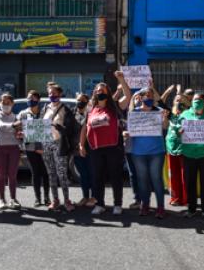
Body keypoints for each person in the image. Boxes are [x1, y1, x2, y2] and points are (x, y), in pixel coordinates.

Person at [80, 71, 131, 215]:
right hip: (95, 148)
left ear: (107, 93)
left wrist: (121, 79)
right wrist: (81, 144)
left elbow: (128, 96)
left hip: (113, 147)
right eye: (97, 91)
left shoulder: (114, 106)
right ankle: (100, 204)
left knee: (115, 176)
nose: (99, 93)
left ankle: (117, 204)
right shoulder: (91, 109)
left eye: (102, 91)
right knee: (97, 178)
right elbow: (85, 127)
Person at [130, 88, 169, 218]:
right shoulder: (134, 113)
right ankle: (145, 205)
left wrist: (164, 118)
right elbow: (129, 130)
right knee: (142, 180)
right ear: (140, 98)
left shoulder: (158, 111)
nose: (149, 97)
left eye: (151, 95)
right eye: (146, 95)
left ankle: (160, 207)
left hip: (156, 152)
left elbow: (165, 127)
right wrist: (126, 133)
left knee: (156, 179)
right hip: (138, 152)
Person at [41, 84, 76, 212]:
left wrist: (60, 128)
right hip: (46, 144)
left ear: (60, 94)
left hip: (59, 144)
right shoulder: (44, 108)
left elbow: (71, 129)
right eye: (50, 93)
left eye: (55, 93)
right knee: (51, 174)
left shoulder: (66, 109)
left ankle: (67, 200)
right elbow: (40, 126)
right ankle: (55, 200)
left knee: (62, 174)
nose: (52, 95)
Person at [15, 90, 50, 207]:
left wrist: (41, 147)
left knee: (45, 173)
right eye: (28, 98)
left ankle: (47, 197)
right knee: (35, 173)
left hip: (44, 148)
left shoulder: (44, 112)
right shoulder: (23, 113)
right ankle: (37, 198)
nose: (30, 100)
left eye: (33, 98)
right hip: (30, 148)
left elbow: (48, 129)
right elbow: (17, 129)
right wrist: (19, 133)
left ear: (38, 100)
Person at [0, 93, 21, 210]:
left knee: (12, 175)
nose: (6, 105)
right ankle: (1, 200)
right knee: (1, 175)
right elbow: (0, 125)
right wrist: (14, 126)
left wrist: (21, 134)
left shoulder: (16, 117)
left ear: (12, 104)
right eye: (3, 102)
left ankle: (13, 199)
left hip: (14, 148)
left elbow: (20, 133)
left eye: (8, 103)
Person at [166, 93, 190, 206]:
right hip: (171, 148)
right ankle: (175, 198)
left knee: (184, 176)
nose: (179, 103)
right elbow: (159, 101)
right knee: (174, 175)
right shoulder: (170, 115)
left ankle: (185, 198)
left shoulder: (189, 115)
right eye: (177, 100)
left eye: (182, 101)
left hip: (184, 149)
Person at [72, 93, 95, 207]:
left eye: (82, 100)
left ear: (87, 101)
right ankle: (85, 196)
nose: (79, 102)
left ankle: (94, 197)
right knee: (83, 175)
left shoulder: (91, 113)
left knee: (92, 173)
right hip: (76, 150)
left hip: (90, 149)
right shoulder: (72, 114)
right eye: (78, 100)